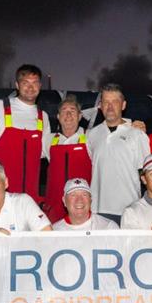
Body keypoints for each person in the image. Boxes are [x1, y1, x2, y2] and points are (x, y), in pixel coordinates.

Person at [86, 83, 150, 225]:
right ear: (100, 106)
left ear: (123, 105)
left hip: (128, 209)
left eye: (115, 101)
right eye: (106, 102)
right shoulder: (91, 135)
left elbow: (146, 173)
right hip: (98, 209)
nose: (110, 107)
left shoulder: (137, 134)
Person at [0, 64, 51, 201]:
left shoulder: (43, 117)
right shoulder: (0, 107)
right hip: (0, 195)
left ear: (40, 86)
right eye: (25, 83)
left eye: (34, 83)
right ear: (17, 85)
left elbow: (47, 153)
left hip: (29, 197)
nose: (30, 87)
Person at [43, 95, 92, 223]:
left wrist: (131, 124)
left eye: (73, 110)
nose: (68, 114)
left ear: (80, 116)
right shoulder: (48, 139)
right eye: (64, 111)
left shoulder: (91, 136)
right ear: (58, 117)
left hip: (80, 205)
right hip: (54, 206)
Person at [51, 178, 118, 231]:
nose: (79, 200)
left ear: (90, 200)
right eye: (73, 195)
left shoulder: (108, 228)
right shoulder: (54, 232)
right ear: (64, 201)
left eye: (84, 195)